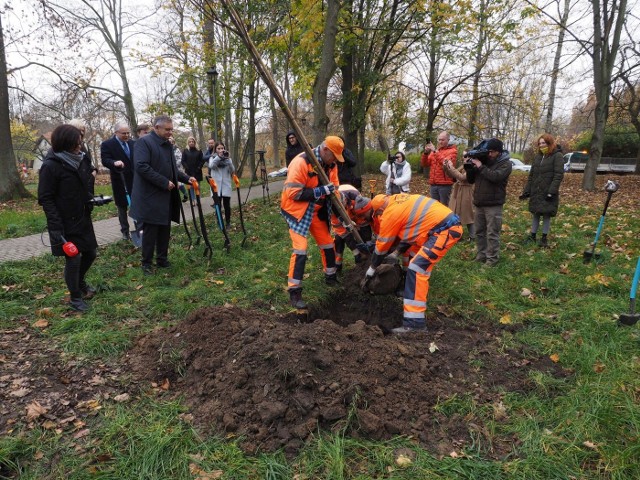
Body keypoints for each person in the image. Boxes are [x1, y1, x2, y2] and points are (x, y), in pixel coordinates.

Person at [361, 193, 462, 333]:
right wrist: (395, 254)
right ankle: (407, 290)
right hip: (437, 229)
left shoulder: (390, 213)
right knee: (414, 262)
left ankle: (414, 324)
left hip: (444, 231)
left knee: (417, 269)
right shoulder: (400, 201)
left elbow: (381, 246)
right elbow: (411, 233)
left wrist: (372, 268)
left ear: (379, 211)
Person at [38, 124, 98, 312]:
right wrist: (55, 226)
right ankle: (75, 298)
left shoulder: (80, 159)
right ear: (65, 144)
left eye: (80, 143)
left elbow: (85, 184)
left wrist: (92, 200)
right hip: (63, 222)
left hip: (82, 217)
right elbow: (45, 198)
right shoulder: (51, 166)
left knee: (90, 253)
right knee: (74, 258)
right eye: (76, 144)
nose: (79, 147)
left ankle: (79, 282)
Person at [281, 135, 343, 308]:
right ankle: (295, 292)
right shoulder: (300, 162)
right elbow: (293, 194)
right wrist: (320, 190)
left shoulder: (331, 165)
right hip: (297, 211)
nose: (335, 161)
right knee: (300, 249)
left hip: (316, 210)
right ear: (325, 150)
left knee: (328, 244)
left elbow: (335, 187)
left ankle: (330, 277)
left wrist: (337, 201)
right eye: (334, 156)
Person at [129, 115, 196, 275]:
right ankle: (146, 264)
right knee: (151, 232)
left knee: (164, 230)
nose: (170, 132)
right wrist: (163, 182)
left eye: (171, 129)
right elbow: (141, 166)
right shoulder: (143, 143)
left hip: (166, 197)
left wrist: (187, 178)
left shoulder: (167, 145)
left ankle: (162, 259)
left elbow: (172, 169)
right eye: (167, 129)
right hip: (150, 197)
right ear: (156, 128)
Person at [465, 138, 512, 267]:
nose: (489, 154)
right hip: (479, 202)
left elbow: (496, 177)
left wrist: (481, 166)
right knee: (479, 231)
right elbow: (470, 180)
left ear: (498, 152)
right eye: (488, 152)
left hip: (494, 203)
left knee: (492, 233)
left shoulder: (506, 164)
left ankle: (492, 259)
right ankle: (481, 255)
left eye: (492, 152)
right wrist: (469, 166)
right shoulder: (484, 161)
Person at [519, 134, 565, 247]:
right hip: (536, 190)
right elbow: (532, 175)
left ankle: (544, 239)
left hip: (548, 191)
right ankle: (532, 236)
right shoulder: (538, 157)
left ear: (549, 143)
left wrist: (551, 192)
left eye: (543, 143)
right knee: (535, 213)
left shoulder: (557, 156)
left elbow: (558, 175)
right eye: (539, 143)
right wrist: (527, 191)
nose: (541, 145)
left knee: (546, 215)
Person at [101, 121, 135, 240]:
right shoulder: (107, 144)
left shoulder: (133, 143)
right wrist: (114, 163)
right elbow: (105, 160)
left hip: (134, 180)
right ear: (116, 132)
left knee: (136, 205)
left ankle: (139, 228)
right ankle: (125, 231)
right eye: (123, 133)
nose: (126, 135)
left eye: (128, 133)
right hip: (120, 180)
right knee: (122, 207)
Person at [330, 184, 373, 272]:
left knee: (363, 232)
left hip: (353, 207)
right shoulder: (332, 210)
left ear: (345, 199)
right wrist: (355, 251)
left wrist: (367, 241)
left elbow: (362, 220)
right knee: (339, 240)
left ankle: (367, 256)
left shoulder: (355, 197)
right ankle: (337, 266)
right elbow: (340, 230)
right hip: (340, 223)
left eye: (344, 205)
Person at [443, 150, 475, 241]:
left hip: (467, 191)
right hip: (458, 191)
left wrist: (451, 167)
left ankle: (473, 236)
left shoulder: (473, 166)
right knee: (455, 213)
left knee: (468, 214)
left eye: (466, 155)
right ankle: (457, 235)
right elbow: (452, 174)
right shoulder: (463, 166)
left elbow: (462, 177)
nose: (464, 157)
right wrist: (446, 166)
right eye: (463, 155)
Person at [420, 131, 457, 206]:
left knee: (444, 206)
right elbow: (425, 164)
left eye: (442, 140)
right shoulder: (435, 151)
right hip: (433, 184)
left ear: (448, 140)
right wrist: (426, 153)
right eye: (439, 140)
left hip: (444, 185)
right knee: (434, 207)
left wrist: (435, 151)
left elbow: (445, 163)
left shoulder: (453, 151)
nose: (440, 142)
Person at [208, 141, 235, 227]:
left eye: (222, 148)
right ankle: (219, 222)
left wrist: (228, 161)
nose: (221, 150)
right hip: (216, 186)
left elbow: (232, 170)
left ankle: (228, 222)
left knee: (227, 205)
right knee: (218, 205)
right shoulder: (212, 158)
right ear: (215, 149)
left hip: (226, 185)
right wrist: (219, 157)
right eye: (218, 148)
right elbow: (212, 166)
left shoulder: (228, 158)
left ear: (224, 148)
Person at [181, 136, 204, 204]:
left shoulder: (199, 151)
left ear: (195, 142)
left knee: (197, 186)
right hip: (189, 172)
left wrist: (199, 167)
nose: (191, 143)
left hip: (197, 171)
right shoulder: (185, 151)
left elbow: (202, 161)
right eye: (190, 142)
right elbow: (183, 161)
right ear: (188, 143)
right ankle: (193, 200)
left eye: (192, 141)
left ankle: (198, 200)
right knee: (191, 186)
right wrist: (186, 167)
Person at [168, 136, 188, 203]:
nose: (170, 142)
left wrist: (173, 165)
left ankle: (185, 194)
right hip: (169, 170)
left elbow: (180, 159)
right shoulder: (165, 149)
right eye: (168, 140)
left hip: (177, 169)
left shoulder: (177, 150)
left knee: (179, 183)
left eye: (171, 141)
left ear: (173, 142)